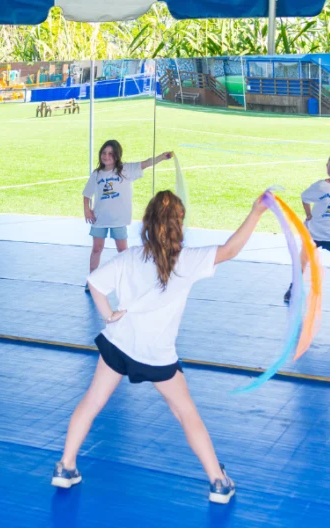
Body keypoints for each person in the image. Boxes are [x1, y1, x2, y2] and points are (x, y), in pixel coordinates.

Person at [52, 189, 267, 503]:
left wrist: (109, 315)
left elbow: (95, 285)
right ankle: (218, 482)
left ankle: (65, 466)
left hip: (118, 347)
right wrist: (257, 212)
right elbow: (231, 249)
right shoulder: (187, 260)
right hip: (157, 358)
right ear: (179, 224)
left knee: (92, 403)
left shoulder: (129, 257)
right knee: (185, 413)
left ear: (147, 223)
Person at [82, 139, 172, 292]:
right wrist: (87, 209)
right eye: (104, 153)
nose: (106, 156)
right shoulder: (96, 174)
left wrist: (161, 157)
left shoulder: (125, 170)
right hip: (99, 218)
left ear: (117, 156)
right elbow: (87, 194)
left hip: (118, 219)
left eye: (110, 154)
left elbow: (146, 163)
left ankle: (128, 279)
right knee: (97, 248)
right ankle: (92, 280)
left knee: (122, 250)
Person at [284, 149, 330, 303]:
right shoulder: (320, 186)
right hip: (313, 234)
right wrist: (308, 214)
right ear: (327, 167)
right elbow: (305, 198)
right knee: (301, 263)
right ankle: (294, 288)